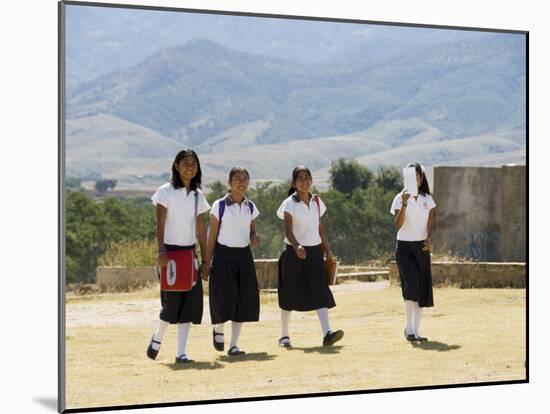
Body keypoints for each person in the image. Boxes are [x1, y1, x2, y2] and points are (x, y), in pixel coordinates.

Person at [146, 149, 210, 363]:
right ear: (176, 166)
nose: (189, 167)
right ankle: (158, 337)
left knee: (189, 304)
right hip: (170, 254)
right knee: (171, 302)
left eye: (193, 164)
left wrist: (205, 261)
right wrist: (161, 251)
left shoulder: (198, 196)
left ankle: (181, 352)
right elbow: (160, 223)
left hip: (190, 253)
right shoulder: (165, 191)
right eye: (185, 163)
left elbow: (201, 230)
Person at [276, 165, 344, 347]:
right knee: (289, 293)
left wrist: (327, 250)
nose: (304, 182)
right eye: (300, 179)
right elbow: (288, 229)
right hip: (294, 252)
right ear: (294, 183)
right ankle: (284, 336)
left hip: (314, 252)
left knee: (320, 291)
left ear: (311, 181)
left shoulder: (316, 201)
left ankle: (327, 333)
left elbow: (319, 226)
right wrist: (297, 245)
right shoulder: (289, 203)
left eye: (307, 178)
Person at [202, 167, 261, 357]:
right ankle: (218, 328)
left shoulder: (250, 207)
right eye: (237, 178)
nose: (241, 182)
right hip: (223, 256)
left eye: (245, 178)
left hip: (244, 256)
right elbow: (211, 237)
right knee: (224, 298)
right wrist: (206, 262)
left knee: (242, 301)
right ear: (229, 182)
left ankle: (234, 346)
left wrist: (253, 236)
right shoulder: (219, 206)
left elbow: (252, 230)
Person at [390, 162, 436, 342]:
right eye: (410, 176)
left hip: (422, 248)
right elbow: (397, 225)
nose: (414, 179)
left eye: (417, 176)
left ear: (421, 178)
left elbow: (431, 224)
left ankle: (416, 331)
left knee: (421, 289)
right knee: (412, 286)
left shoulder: (428, 199)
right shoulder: (399, 198)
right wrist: (404, 203)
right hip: (404, 247)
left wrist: (429, 239)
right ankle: (409, 330)